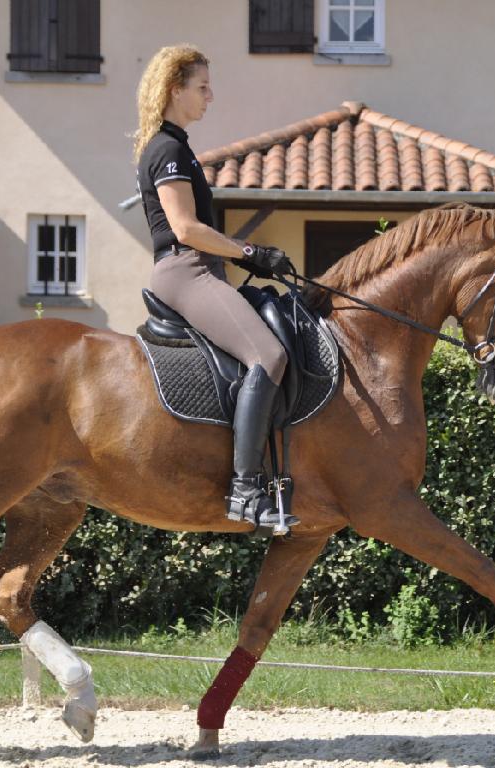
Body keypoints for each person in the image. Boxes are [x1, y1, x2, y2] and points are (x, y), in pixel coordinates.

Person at [134, 45, 297, 535]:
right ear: (174, 89)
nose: (211, 96)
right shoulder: (166, 150)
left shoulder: (177, 145)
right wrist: (251, 254)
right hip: (187, 271)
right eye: (202, 87)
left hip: (201, 269)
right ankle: (245, 491)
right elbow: (185, 227)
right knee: (268, 356)